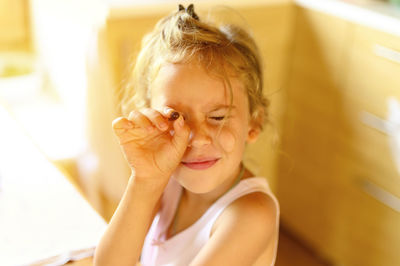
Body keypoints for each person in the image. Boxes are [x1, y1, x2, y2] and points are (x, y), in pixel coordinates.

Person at [94, 4, 280, 266]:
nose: (198, 139)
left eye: (217, 117)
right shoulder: (166, 181)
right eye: (174, 117)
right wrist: (145, 180)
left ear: (254, 123)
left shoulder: (251, 215)